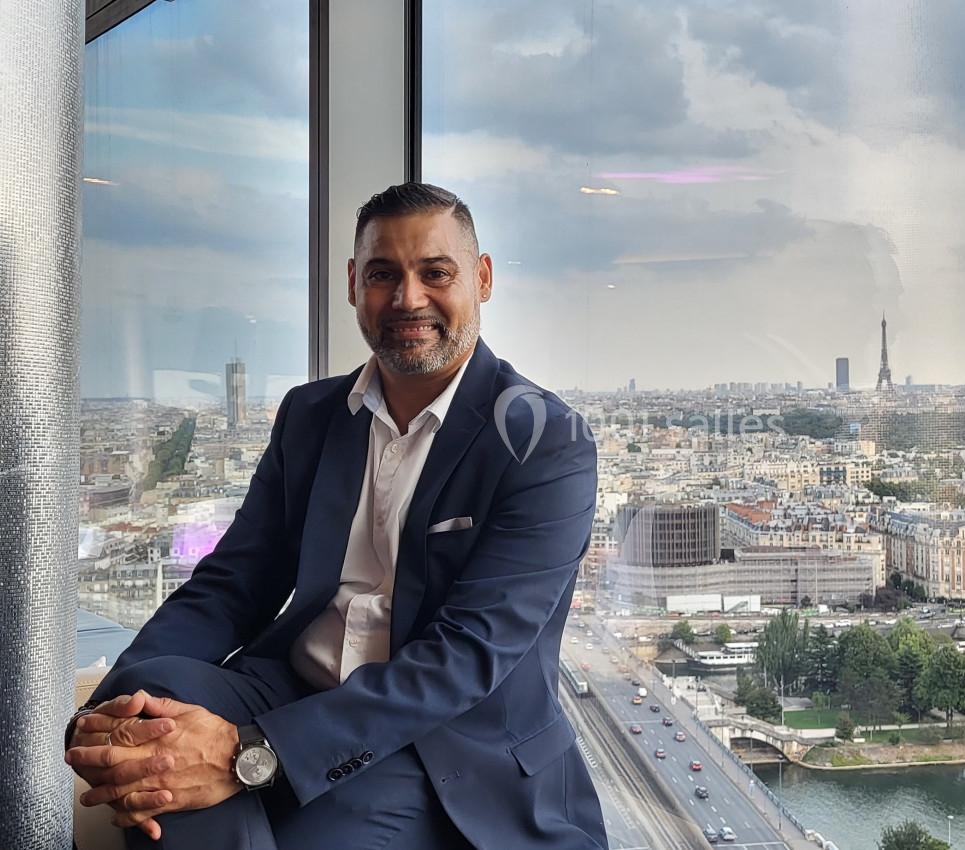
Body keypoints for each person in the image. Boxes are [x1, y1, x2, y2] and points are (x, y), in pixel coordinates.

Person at [64, 182, 607, 849]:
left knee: (285, 823)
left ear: (482, 278)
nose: (408, 299)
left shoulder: (546, 440)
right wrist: (106, 712)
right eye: (383, 274)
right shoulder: (311, 415)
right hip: (293, 688)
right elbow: (234, 583)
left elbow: (463, 658)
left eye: (435, 273)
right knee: (157, 689)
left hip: (438, 742)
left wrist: (248, 753)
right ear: (354, 283)